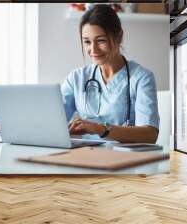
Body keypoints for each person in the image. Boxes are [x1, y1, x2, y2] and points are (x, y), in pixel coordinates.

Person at [61, 4, 159, 143]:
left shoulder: (142, 78)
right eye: (87, 42)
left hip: (125, 159)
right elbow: (52, 120)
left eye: (101, 40)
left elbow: (150, 134)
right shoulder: (76, 78)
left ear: (119, 37)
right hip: (86, 155)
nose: (93, 49)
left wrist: (100, 129)